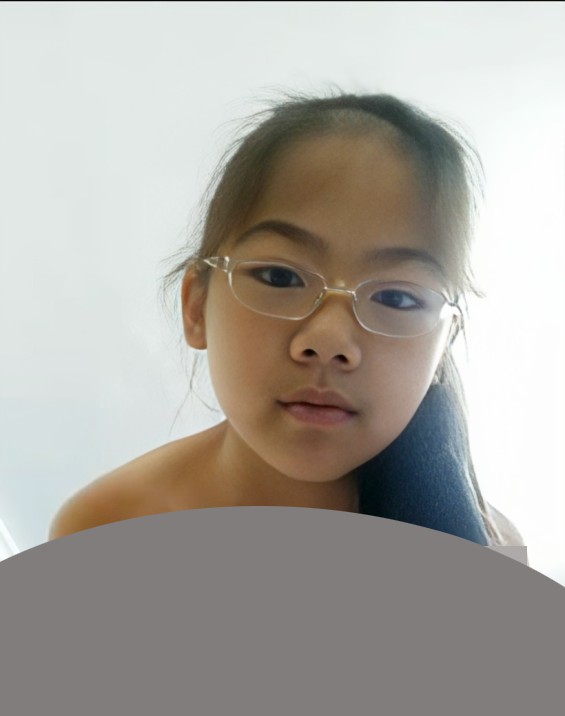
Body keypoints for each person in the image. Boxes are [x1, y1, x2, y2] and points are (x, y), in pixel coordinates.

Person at [49, 92, 521, 545]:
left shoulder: (489, 546)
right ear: (196, 307)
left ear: (443, 344)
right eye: (280, 277)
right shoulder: (100, 528)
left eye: (397, 298)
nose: (330, 341)